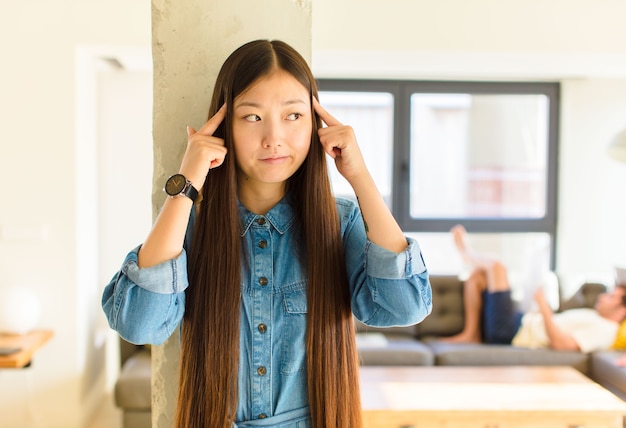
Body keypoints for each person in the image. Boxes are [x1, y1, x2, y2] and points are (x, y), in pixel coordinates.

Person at [101, 39, 432, 428]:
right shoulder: (189, 222)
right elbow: (140, 324)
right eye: (253, 117)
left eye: (293, 116)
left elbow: (404, 306)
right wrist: (188, 181)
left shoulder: (339, 221)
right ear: (224, 125)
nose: (274, 138)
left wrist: (359, 176)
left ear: (315, 124)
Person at [443, 225, 626, 352]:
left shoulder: (606, 330)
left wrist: (543, 306)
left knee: (498, 267)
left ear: (622, 311)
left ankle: (467, 254)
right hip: (519, 323)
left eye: (610, 297)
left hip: (512, 332)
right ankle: (471, 334)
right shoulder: (595, 317)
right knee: (477, 277)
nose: (602, 297)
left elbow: (562, 345)